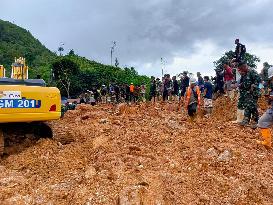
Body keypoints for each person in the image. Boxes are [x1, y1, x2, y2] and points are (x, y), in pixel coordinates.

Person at [237, 63, 261, 128]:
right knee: (247, 105)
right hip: (247, 92)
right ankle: (246, 119)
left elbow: (258, 81)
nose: (241, 71)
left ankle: (255, 121)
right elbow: (244, 82)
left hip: (253, 92)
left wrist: (254, 85)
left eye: (242, 69)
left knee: (252, 106)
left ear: (244, 66)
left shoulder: (252, 71)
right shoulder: (245, 73)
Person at [257, 66, 273, 148]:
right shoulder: (268, 82)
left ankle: (267, 142)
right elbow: (262, 85)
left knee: (262, 121)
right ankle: (267, 142)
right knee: (262, 121)